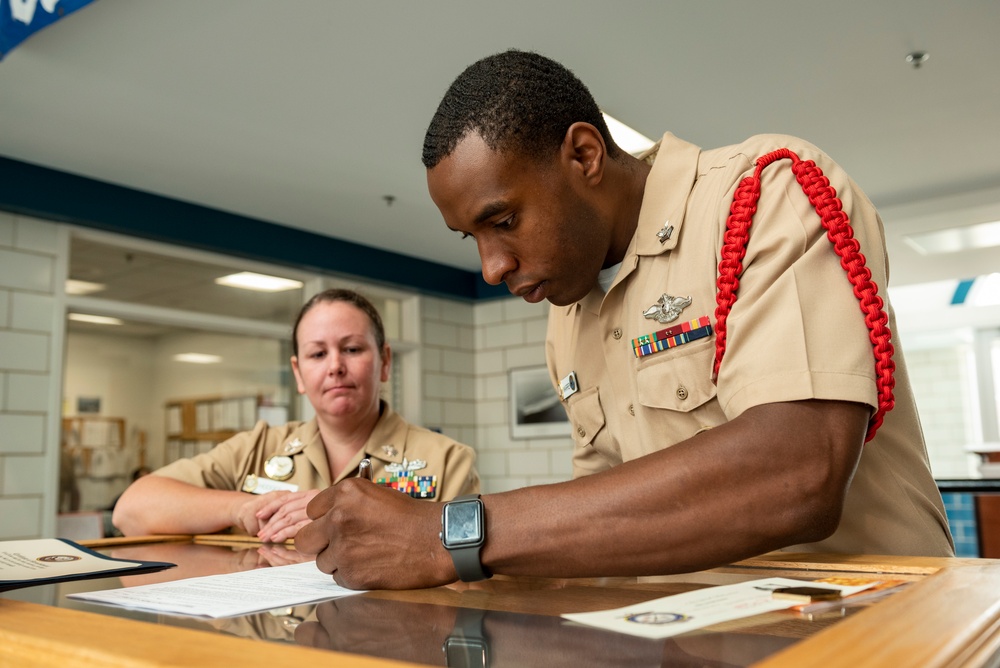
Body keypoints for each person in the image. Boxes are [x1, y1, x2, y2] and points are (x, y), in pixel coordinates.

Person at [296, 50, 953, 589]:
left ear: (584, 156)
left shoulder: (762, 194)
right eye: (473, 238)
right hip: (698, 636)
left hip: (876, 626)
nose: (492, 267)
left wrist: (452, 535)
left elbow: (798, 472)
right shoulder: (568, 314)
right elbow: (603, 521)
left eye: (504, 220)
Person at [113, 289, 480, 542]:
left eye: (352, 349)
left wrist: (344, 515)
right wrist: (244, 508)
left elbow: (466, 563)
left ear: (384, 362)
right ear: (298, 373)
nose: (335, 367)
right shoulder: (257, 448)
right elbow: (131, 511)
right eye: (317, 354)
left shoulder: (447, 460)